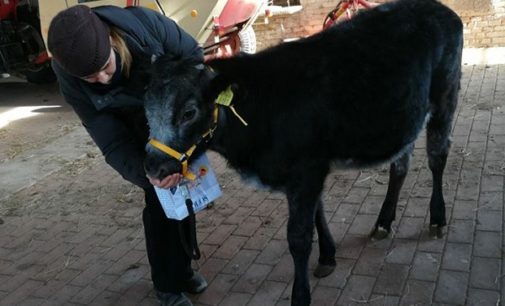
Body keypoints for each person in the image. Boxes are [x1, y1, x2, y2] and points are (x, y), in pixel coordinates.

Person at [47, 5, 205, 306]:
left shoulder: (145, 26)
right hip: (130, 126)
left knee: (185, 194)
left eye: (106, 66)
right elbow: (110, 139)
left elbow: (193, 56)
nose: (103, 80)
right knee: (159, 202)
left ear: (111, 38)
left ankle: (183, 270)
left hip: (167, 111)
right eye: (91, 78)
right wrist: (144, 172)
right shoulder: (69, 76)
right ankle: (167, 285)